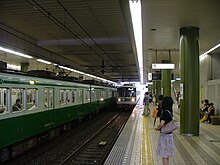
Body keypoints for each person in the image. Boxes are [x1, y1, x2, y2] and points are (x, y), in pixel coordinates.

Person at [155, 96, 174, 165]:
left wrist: (157, 128)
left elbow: (161, 124)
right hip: (169, 135)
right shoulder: (170, 112)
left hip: (165, 136)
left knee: (164, 155)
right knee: (166, 155)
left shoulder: (165, 113)